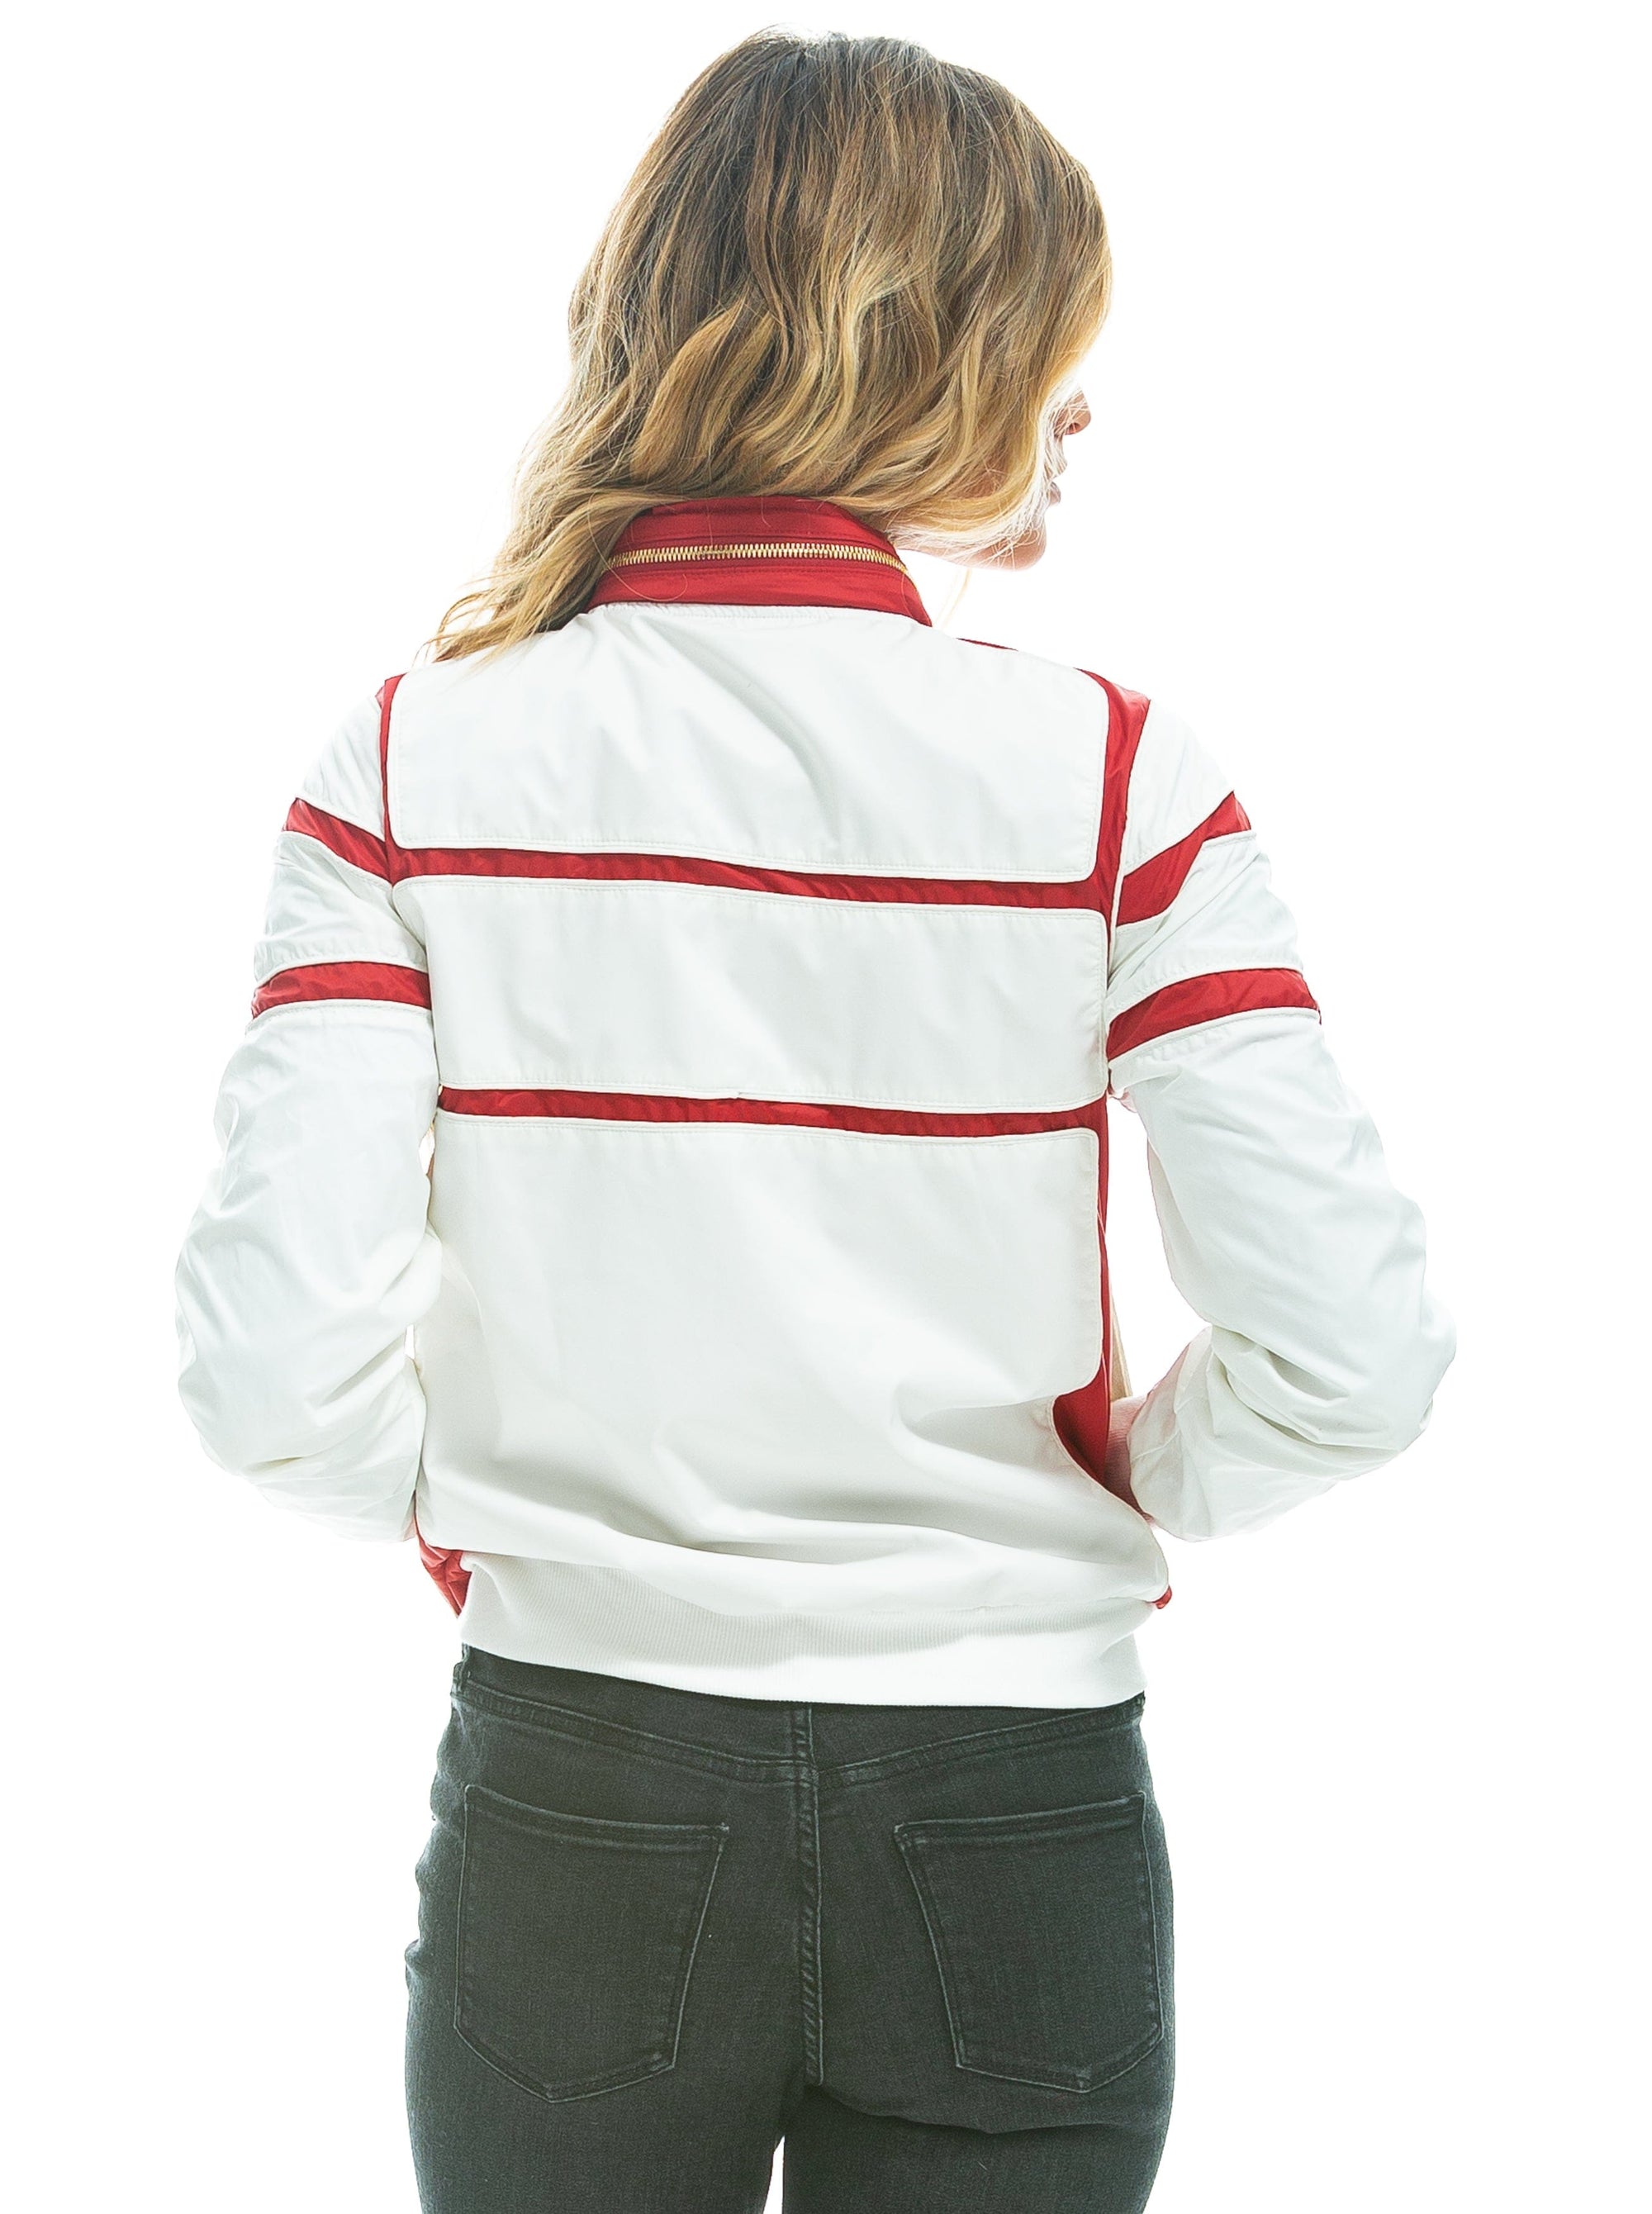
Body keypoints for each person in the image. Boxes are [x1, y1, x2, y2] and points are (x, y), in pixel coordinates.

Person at [173, 29, 1456, 2213]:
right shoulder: (1117, 780)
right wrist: (1115, 1484)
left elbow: (267, 1378)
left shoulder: (403, 766)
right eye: (1053, 347)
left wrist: (513, 1520)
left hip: (579, 1788)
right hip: (1016, 1814)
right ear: (934, 352)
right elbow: (1357, 1359)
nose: (1080, 414)